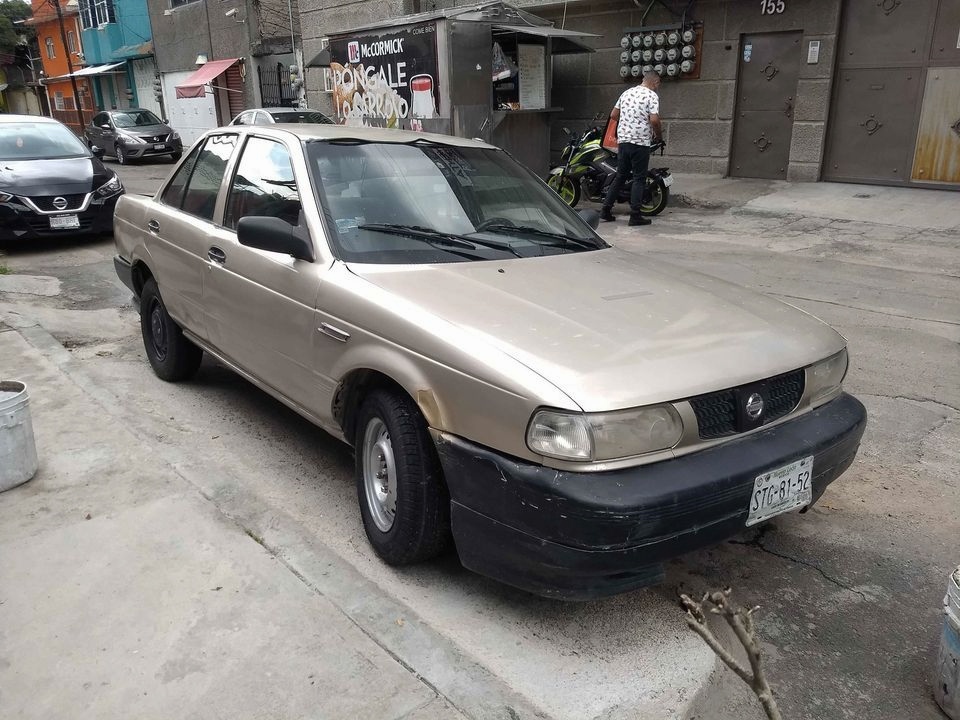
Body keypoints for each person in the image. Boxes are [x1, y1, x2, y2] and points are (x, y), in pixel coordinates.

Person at [601, 71, 663, 226]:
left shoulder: (626, 93)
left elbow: (614, 114)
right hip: (640, 142)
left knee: (620, 176)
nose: (658, 87)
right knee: (639, 178)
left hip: (624, 141)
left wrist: (628, 121)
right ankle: (635, 215)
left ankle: (605, 210)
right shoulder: (651, 96)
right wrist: (658, 136)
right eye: (658, 84)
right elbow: (654, 120)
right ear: (655, 82)